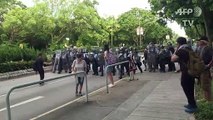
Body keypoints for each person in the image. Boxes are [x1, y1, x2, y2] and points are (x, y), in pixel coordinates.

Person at [171, 37, 197, 113]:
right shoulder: (189, 48)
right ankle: (191, 103)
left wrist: (176, 50)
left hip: (186, 72)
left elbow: (172, 59)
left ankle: (193, 105)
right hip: (191, 71)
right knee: (190, 87)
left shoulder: (181, 50)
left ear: (178, 43)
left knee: (186, 87)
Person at [198, 36, 213, 101]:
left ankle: (209, 100)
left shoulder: (208, 48)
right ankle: (205, 98)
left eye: (200, 41)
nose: (198, 42)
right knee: (203, 84)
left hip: (206, 69)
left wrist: (208, 66)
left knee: (206, 84)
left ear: (203, 41)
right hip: (202, 68)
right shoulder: (201, 48)